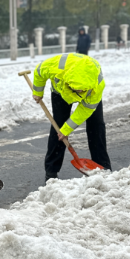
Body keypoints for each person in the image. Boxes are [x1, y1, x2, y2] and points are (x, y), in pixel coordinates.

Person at [31, 52, 112, 182]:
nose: (78, 93)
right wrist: (37, 92)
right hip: (61, 91)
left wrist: (67, 129)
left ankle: (103, 168)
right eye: (77, 90)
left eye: (81, 91)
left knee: (96, 125)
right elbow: (39, 71)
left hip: (90, 92)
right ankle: (51, 173)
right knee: (58, 126)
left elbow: (85, 110)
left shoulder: (96, 84)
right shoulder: (55, 67)